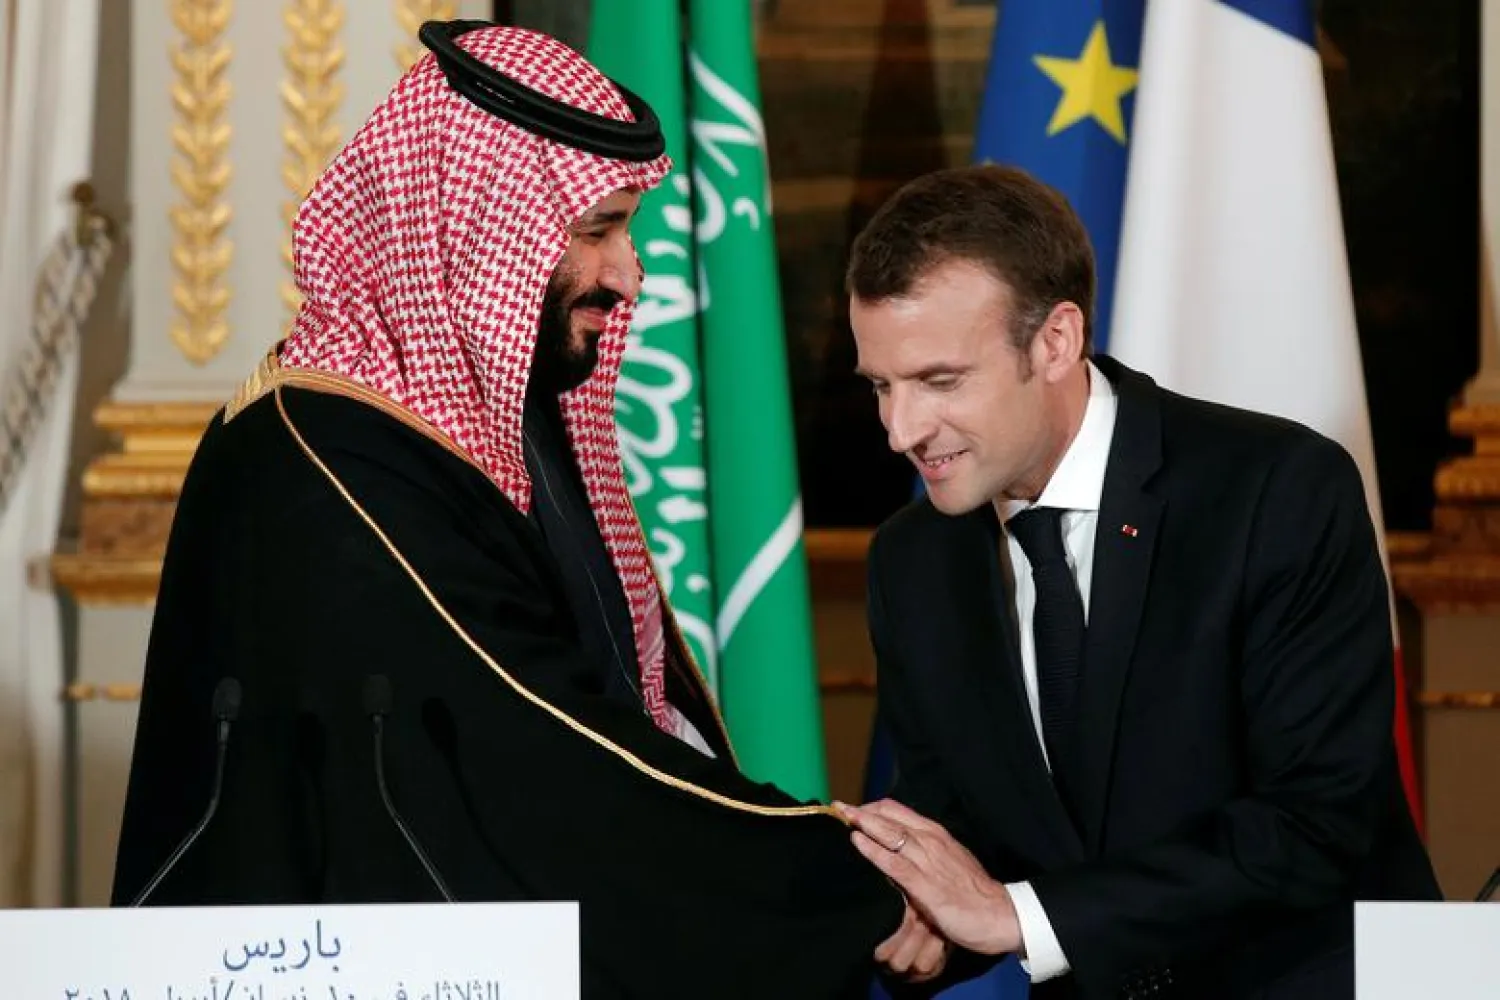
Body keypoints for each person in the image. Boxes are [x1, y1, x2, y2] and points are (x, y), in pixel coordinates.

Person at [110, 21, 904, 998]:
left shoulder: (504, 418)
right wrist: (846, 875)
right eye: (596, 230)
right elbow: (535, 744)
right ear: (480, 226)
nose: (629, 274)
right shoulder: (320, 457)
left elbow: (618, 700)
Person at [834, 164, 1442, 999]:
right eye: (881, 386)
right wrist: (921, 919)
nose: (900, 430)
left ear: (1056, 341)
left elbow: (1317, 824)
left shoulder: (1279, 489)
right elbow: (969, 837)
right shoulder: (914, 562)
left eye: (940, 382)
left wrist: (1020, 918)